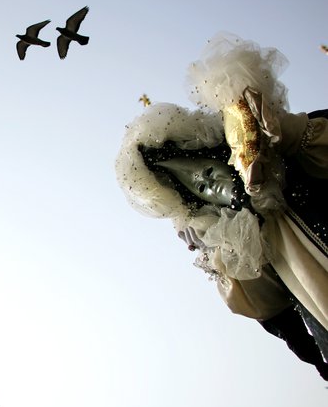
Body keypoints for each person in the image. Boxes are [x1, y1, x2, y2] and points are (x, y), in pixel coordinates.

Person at [115, 34, 328, 378]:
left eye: (207, 171)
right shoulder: (246, 243)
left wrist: (288, 134)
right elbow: (275, 313)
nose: (209, 184)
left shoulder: (290, 156)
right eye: (196, 187)